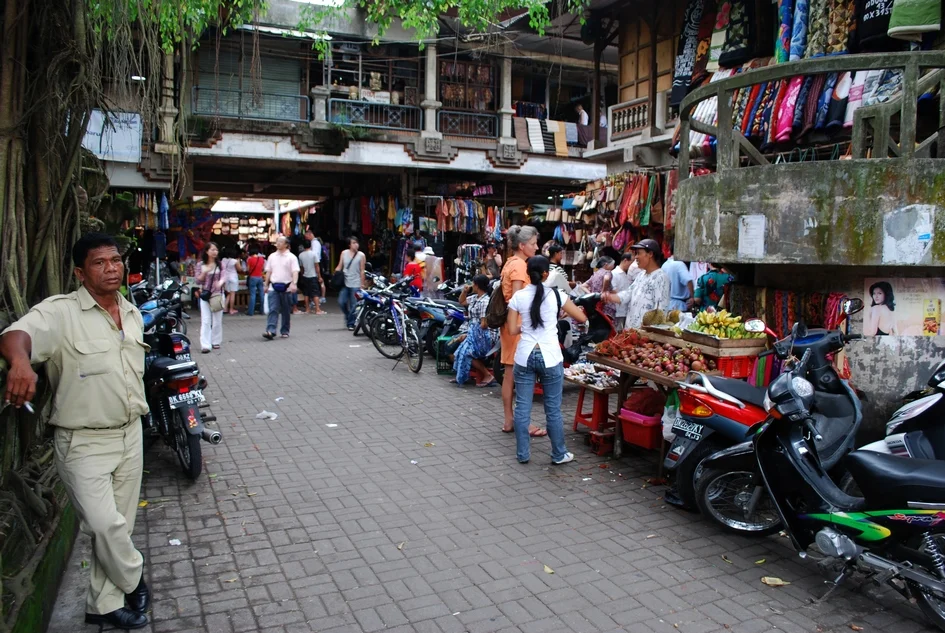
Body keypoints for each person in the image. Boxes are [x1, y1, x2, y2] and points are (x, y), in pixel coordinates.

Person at [0, 233, 151, 630]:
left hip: (130, 433)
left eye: (115, 260)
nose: (111, 268)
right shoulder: (61, 312)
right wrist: (19, 363)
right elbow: (17, 335)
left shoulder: (131, 311)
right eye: (99, 263)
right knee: (104, 525)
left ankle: (102, 604)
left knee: (121, 524)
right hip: (84, 441)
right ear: (80, 273)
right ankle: (134, 579)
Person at [507, 255, 588, 464]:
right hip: (550, 356)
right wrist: (558, 316)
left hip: (525, 355)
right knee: (552, 409)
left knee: (523, 407)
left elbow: (511, 329)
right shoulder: (557, 295)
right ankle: (559, 454)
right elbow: (581, 318)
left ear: (528, 274)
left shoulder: (518, 297)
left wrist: (525, 327)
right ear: (545, 274)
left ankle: (523, 454)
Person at [500, 226, 546, 438]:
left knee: (511, 375)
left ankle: (510, 420)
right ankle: (521, 422)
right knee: (518, 376)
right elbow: (518, 299)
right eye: (534, 244)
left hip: (512, 325)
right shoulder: (519, 266)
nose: (537, 247)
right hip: (517, 326)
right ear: (522, 245)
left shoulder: (510, 262)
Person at [604, 239, 670, 330]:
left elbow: (661, 310)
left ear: (650, 254)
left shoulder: (661, 277)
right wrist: (610, 297)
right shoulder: (641, 275)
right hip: (630, 333)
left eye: (638, 253)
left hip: (645, 336)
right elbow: (628, 294)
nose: (636, 257)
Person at [453, 275, 499, 387]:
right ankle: (462, 375)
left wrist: (470, 334)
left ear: (477, 285)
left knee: (467, 352)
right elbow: (462, 301)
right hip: (474, 332)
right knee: (459, 351)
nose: (471, 285)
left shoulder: (485, 301)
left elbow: (484, 325)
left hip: (484, 335)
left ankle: (488, 375)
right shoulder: (475, 298)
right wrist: (464, 291)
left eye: (473, 284)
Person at [262, 236, 300, 340]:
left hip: (286, 287)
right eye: (277, 242)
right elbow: (268, 271)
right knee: (273, 309)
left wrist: (294, 283)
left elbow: (295, 271)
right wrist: (266, 284)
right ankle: (271, 330)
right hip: (273, 286)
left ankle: (285, 330)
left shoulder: (292, 257)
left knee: (286, 310)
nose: (278, 244)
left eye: (280, 242)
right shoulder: (272, 256)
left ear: (286, 245)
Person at [195, 242, 225, 353]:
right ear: (207, 251)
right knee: (206, 320)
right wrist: (204, 273)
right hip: (205, 295)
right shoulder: (200, 265)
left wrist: (220, 282)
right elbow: (197, 280)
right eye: (212, 250)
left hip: (218, 295)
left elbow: (224, 276)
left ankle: (216, 341)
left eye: (216, 250)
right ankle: (205, 344)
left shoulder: (220, 264)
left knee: (217, 320)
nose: (214, 252)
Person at [336, 236, 366, 331]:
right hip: (345, 282)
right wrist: (335, 275)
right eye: (353, 243)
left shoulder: (361, 255)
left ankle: (351, 323)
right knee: (341, 302)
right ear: (349, 244)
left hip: (356, 283)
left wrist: (362, 284)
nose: (355, 244)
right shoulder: (344, 253)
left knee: (354, 304)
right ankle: (348, 315)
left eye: (356, 242)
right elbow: (340, 266)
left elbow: (362, 270)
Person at [610, 253, 637, 331]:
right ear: (625, 260)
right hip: (618, 310)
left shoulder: (625, 274)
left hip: (625, 310)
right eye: (632, 261)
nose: (632, 264)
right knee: (617, 332)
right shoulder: (614, 274)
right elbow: (614, 291)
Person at [304, 229, 326, 314]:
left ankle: (320, 299)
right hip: (314, 264)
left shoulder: (315, 243)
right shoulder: (314, 243)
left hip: (315, 264)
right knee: (315, 284)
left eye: (306, 236)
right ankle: (316, 304)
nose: (306, 238)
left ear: (310, 234)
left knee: (317, 283)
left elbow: (316, 257)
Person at [298, 239, 321, 315]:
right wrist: (319, 276)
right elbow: (317, 266)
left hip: (305, 276)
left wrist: (302, 274)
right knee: (315, 293)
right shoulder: (314, 254)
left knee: (306, 293)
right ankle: (317, 309)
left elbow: (301, 267)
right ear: (310, 245)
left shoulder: (301, 255)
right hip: (313, 275)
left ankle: (307, 309)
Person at [244, 244, 266, 316]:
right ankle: (262, 310)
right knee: (261, 294)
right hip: (260, 277)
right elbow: (263, 268)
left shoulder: (250, 259)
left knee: (253, 295)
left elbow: (247, 269)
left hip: (253, 277)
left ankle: (251, 312)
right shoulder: (262, 259)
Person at [220, 247, 243, 315]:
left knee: (228, 293)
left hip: (226, 277)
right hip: (233, 277)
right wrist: (238, 262)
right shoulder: (234, 261)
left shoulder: (223, 260)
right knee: (232, 294)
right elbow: (240, 269)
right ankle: (231, 309)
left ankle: (225, 308)